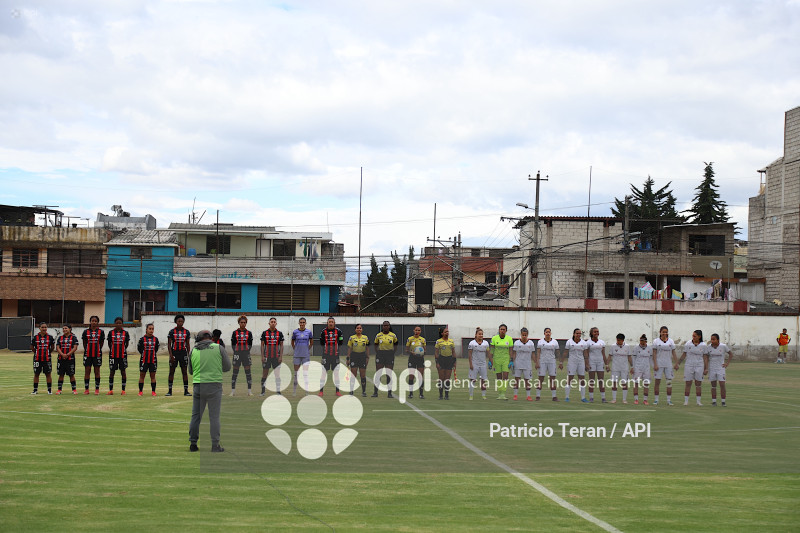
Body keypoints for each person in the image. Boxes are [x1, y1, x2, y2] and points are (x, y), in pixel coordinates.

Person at [188, 330, 231, 453]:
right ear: (210, 338)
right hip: (214, 385)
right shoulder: (218, 348)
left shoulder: (194, 350)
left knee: (196, 416)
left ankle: (193, 443)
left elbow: (190, 371)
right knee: (214, 417)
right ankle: (215, 445)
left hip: (198, 386)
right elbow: (227, 367)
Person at [676, 330, 708, 406]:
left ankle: (698, 401)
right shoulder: (688, 343)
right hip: (689, 365)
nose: (693, 337)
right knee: (688, 383)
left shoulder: (703, 345)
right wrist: (678, 364)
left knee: (698, 383)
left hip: (699, 366)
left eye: (695, 336)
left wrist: (706, 368)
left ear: (699, 337)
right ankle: (686, 401)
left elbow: (705, 357)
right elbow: (684, 354)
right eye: (692, 336)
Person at [652, 326, 677, 406]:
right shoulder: (656, 341)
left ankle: (669, 400)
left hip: (668, 364)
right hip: (659, 364)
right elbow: (654, 353)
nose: (665, 333)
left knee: (669, 382)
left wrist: (676, 363)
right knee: (657, 382)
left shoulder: (671, 341)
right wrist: (655, 364)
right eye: (663, 332)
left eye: (666, 332)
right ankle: (656, 400)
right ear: (660, 332)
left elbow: (673, 352)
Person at [167, 315, 192, 397]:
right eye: (179, 321)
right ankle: (170, 391)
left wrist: (189, 355)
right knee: (171, 372)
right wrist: (171, 355)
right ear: (176, 322)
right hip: (174, 353)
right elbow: (169, 345)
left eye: (182, 321)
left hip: (183, 353)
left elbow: (187, 344)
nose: (180, 323)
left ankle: (186, 391)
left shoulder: (187, 332)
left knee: (184, 371)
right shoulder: (171, 332)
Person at [319, 317, 344, 397]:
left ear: (334, 323)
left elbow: (341, 341)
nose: (330, 323)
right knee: (323, 373)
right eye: (329, 322)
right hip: (325, 355)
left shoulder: (339, 331)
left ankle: (337, 391)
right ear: (327, 323)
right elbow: (321, 343)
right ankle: (321, 391)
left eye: (332, 322)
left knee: (336, 374)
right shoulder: (323, 332)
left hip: (335, 355)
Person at [230, 315, 254, 396]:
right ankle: (232, 391)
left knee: (248, 372)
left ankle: (249, 391)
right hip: (237, 353)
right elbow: (233, 344)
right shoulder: (234, 333)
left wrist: (246, 351)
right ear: (239, 323)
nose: (243, 324)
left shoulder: (249, 333)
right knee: (235, 372)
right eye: (241, 322)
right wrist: (236, 352)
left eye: (244, 322)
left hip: (246, 354)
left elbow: (250, 344)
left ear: (246, 323)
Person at [562, 328, 588, 403]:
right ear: (574, 334)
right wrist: (561, 362)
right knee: (570, 379)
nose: (578, 335)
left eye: (580, 333)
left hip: (581, 362)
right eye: (577, 333)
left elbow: (585, 354)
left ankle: (583, 397)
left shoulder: (583, 342)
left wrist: (587, 363)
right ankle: (567, 397)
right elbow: (565, 352)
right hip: (572, 362)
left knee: (582, 379)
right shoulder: (569, 342)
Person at [373, 320, 398, 398]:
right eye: (384, 325)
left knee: (389, 374)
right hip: (380, 354)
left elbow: (396, 345)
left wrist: (392, 352)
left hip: (389, 355)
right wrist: (378, 352)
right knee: (378, 373)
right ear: (382, 326)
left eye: (387, 325)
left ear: (389, 326)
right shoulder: (378, 335)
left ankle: (389, 393)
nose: (385, 327)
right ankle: (375, 392)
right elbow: (375, 345)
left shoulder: (393, 335)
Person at [260, 317, 284, 396]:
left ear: (276, 323)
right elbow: (262, 345)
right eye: (271, 322)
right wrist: (262, 356)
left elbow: (281, 345)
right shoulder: (264, 333)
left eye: (274, 322)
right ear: (269, 323)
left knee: (277, 375)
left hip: (276, 357)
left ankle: (278, 391)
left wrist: (280, 356)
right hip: (267, 357)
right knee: (265, 374)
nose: (273, 323)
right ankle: (263, 392)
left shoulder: (279, 333)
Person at [490, 324, 514, 400]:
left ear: (506, 331)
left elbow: (511, 350)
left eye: (504, 329)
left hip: (506, 359)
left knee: (506, 376)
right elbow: (492, 350)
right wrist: (490, 360)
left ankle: (503, 393)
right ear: (499, 330)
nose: (502, 331)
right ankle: (500, 393)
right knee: (499, 377)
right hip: (496, 359)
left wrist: (511, 360)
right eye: (501, 329)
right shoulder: (494, 338)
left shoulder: (509, 339)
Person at [707, 333, 732, 406]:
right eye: (711, 339)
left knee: (722, 384)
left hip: (721, 368)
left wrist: (727, 363)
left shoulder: (723, 346)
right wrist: (706, 367)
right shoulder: (709, 347)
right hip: (712, 368)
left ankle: (723, 402)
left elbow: (730, 354)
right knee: (713, 385)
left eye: (714, 339)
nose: (712, 341)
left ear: (718, 340)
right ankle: (714, 401)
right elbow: (706, 357)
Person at [81, 315, 104, 395]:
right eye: (92, 321)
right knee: (87, 371)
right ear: (90, 322)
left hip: (97, 354)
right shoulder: (85, 332)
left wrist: (97, 349)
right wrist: (87, 350)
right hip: (88, 354)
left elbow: (101, 343)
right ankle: (86, 389)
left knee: (97, 371)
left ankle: (97, 389)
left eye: (95, 321)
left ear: (97, 322)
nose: (94, 322)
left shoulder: (101, 332)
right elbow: (84, 343)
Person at [511, 327, 535, 401]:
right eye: (523, 335)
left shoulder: (531, 343)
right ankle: (515, 395)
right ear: (520, 335)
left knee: (527, 381)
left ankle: (528, 396)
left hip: (527, 365)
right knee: (517, 380)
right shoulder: (516, 343)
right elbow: (514, 353)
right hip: (518, 364)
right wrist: (512, 361)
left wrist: (536, 362)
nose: (524, 336)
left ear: (527, 335)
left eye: (525, 335)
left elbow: (533, 354)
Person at [107, 317, 130, 395]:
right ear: (115, 324)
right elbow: (109, 343)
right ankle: (111, 390)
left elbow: (126, 344)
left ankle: (123, 390)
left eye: (120, 323)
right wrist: (113, 349)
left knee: (123, 372)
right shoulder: (111, 333)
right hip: (113, 356)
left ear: (122, 324)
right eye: (117, 323)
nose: (118, 324)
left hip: (122, 356)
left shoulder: (125, 333)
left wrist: (121, 350)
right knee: (112, 372)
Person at [290, 318, 313, 395]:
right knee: (296, 374)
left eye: (303, 322)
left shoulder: (309, 332)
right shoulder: (295, 332)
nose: (302, 324)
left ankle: (306, 391)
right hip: (297, 355)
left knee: (305, 374)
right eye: (301, 322)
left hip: (305, 356)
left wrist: (307, 349)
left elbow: (311, 342)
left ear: (305, 323)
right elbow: (292, 342)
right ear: (299, 323)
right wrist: (295, 349)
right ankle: (294, 391)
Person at [536, 327, 559, 401]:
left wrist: (560, 362)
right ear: (544, 333)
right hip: (542, 361)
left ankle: (554, 396)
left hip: (552, 362)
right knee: (540, 379)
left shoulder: (555, 342)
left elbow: (557, 352)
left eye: (549, 332)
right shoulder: (540, 341)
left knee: (552, 379)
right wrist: (537, 362)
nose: (548, 333)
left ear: (551, 333)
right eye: (546, 332)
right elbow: (538, 352)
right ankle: (538, 396)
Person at [31, 322, 54, 395]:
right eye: (42, 327)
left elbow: (52, 347)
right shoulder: (35, 337)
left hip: (47, 359)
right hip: (37, 358)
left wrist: (47, 352)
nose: (44, 329)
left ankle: (49, 390)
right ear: (39, 328)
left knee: (48, 374)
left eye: (45, 327)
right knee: (36, 374)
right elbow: (32, 347)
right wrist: (37, 353)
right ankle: (35, 390)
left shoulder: (50, 337)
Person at [585, 327, 608, 403]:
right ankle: (591, 397)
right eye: (595, 332)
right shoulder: (588, 342)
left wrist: (606, 364)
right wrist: (587, 364)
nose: (596, 333)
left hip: (600, 362)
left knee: (601, 380)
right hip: (592, 362)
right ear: (591, 333)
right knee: (591, 380)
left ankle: (603, 398)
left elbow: (603, 354)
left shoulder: (602, 342)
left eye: (597, 331)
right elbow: (587, 354)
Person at [347, 324, 370, 397]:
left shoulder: (365, 337)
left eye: (360, 328)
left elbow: (367, 348)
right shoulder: (352, 338)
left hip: (362, 356)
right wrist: (348, 358)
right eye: (357, 328)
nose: (359, 329)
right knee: (353, 374)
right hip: (354, 356)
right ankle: (351, 391)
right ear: (355, 330)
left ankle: (363, 391)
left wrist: (367, 357)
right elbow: (350, 348)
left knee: (362, 375)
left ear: (362, 329)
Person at [609, 333, 632, 404]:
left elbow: (629, 357)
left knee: (624, 383)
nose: (618, 342)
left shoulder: (627, 347)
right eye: (617, 340)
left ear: (623, 340)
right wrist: (607, 365)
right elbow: (610, 356)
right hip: (615, 368)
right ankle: (614, 399)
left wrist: (632, 366)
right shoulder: (613, 346)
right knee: (614, 383)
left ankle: (624, 399)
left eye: (619, 340)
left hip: (624, 368)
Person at [55, 324, 79, 394]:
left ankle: (74, 390)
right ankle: (59, 390)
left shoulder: (74, 338)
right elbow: (58, 347)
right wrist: (62, 354)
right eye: (63, 328)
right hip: (61, 359)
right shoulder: (60, 338)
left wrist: (68, 354)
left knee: (71, 374)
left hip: (70, 359)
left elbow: (75, 347)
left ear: (70, 329)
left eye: (66, 328)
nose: (64, 330)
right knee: (61, 374)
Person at [137, 323, 159, 396]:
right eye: (150, 329)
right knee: (142, 376)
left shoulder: (156, 339)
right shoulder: (142, 339)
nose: (151, 330)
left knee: (153, 376)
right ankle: (140, 391)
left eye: (152, 329)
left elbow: (156, 349)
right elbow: (140, 349)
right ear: (146, 329)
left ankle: (153, 392)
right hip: (144, 360)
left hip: (153, 360)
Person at [434, 327, 457, 400]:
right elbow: (436, 353)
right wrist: (437, 362)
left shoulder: (451, 341)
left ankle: (446, 395)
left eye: (448, 331)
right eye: (445, 332)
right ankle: (440, 395)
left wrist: (454, 362)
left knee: (447, 379)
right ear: (442, 333)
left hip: (449, 360)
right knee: (441, 378)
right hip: (441, 360)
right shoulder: (439, 341)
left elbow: (453, 352)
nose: (447, 333)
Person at [468, 327, 489, 400]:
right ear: (476, 335)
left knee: (483, 380)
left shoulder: (486, 343)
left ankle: (483, 395)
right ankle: (471, 395)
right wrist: (471, 364)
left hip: (483, 364)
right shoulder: (472, 343)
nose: (481, 335)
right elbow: (470, 354)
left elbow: (488, 353)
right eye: (479, 334)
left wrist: (490, 361)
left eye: (482, 334)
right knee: (472, 379)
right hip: (474, 364)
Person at [406, 326, 426, 399]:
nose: (417, 331)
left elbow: (425, 350)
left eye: (419, 330)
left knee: (420, 376)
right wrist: (412, 352)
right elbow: (407, 350)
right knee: (411, 376)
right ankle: (410, 393)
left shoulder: (423, 340)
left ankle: (421, 394)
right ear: (414, 330)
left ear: (420, 331)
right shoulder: (410, 339)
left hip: (420, 359)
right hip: (412, 359)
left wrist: (422, 353)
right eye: (416, 330)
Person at [631, 334, 651, 405]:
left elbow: (651, 359)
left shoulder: (649, 348)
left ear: (646, 341)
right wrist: (632, 367)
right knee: (636, 383)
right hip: (638, 368)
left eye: (643, 341)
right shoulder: (636, 348)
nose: (642, 342)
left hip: (646, 368)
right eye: (641, 341)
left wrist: (653, 366)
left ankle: (645, 400)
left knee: (646, 383)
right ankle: (636, 399)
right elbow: (633, 358)